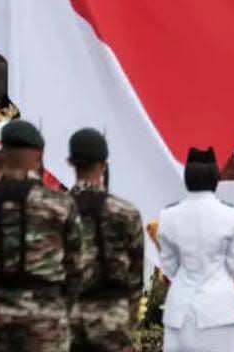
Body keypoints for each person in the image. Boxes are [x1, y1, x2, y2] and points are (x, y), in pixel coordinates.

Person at [0, 120, 83, 352]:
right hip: (45, 317)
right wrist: (60, 309)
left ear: (1, 154)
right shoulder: (60, 205)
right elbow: (76, 268)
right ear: (39, 156)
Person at [159, 146, 234, 352]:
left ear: (187, 178)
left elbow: (169, 268)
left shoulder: (168, 215)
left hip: (181, 309)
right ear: (215, 178)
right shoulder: (232, 215)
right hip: (220, 309)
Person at [68, 128, 144, 352]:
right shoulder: (125, 212)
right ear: (103, 165)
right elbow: (136, 272)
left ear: (72, 163)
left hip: (69, 316)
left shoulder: (57, 209)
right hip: (112, 315)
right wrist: (129, 318)